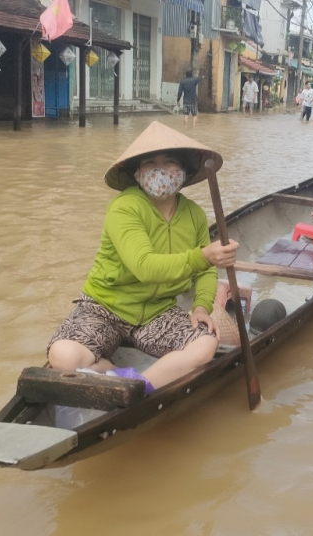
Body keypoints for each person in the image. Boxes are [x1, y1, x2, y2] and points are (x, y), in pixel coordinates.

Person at [47, 121, 240, 392]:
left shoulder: (194, 214)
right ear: (137, 172)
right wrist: (205, 256)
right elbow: (145, 267)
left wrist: (200, 307)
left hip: (158, 312)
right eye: (150, 163)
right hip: (105, 308)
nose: (160, 170)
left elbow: (205, 271)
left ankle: (136, 386)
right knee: (62, 356)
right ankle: (120, 376)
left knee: (205, 343)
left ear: (183, 170)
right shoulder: (124, 207)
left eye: (169, 161)